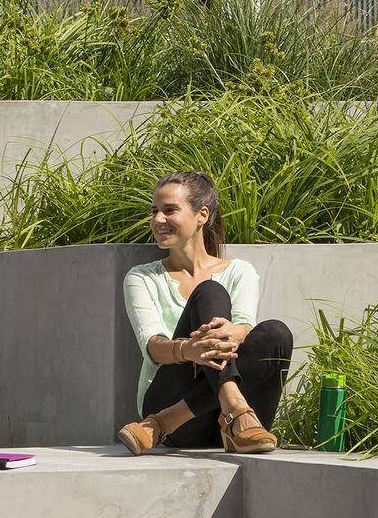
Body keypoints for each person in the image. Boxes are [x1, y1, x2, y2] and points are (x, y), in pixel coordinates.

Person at [116, 171, 290, 455]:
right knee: (210, 292)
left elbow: (246, 325)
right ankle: (229, 403)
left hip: (236, 428)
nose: (158, 220)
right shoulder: (142, 278)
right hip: (175, 404)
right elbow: (153, 347)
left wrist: (231, 333)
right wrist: (189, 350)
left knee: (276, 334)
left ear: (202, 215)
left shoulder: (240, 272)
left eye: (169, 210)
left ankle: (163, 423)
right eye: (154, 212)